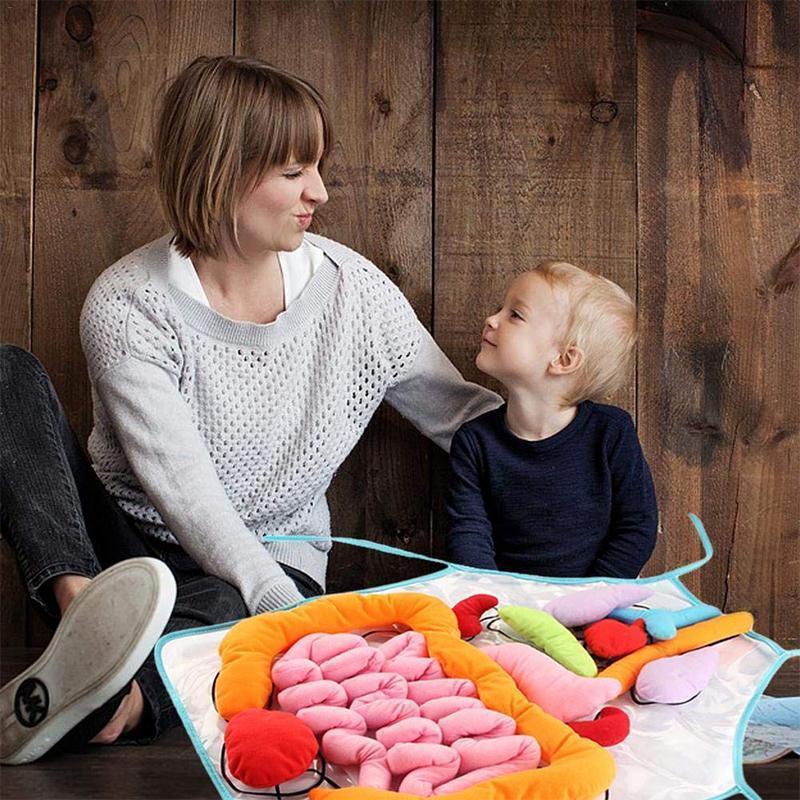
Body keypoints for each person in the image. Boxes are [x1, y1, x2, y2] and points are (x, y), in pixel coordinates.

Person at [0, 54, 501, 763]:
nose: (319, 193)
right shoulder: (128, 303)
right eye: (294, 173)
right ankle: (86, 621)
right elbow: (181, 485)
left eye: (316, 168)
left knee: (240, 608)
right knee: (4, 375)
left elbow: (461, 418)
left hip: (271, 560)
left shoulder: (353, 293)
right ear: (222, 171)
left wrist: (576, 446)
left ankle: (118, 695)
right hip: (120, 548)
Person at [445, 260, 658, 578]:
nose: (491, 320)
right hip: (506, 606)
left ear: (564, 359)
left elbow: (638, 527)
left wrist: (590, 597)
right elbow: (468, 534)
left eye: (515, 315)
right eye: (501, 309)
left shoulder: (611, 433)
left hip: (597, 602)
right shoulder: (474, 442)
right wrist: (497, 597)